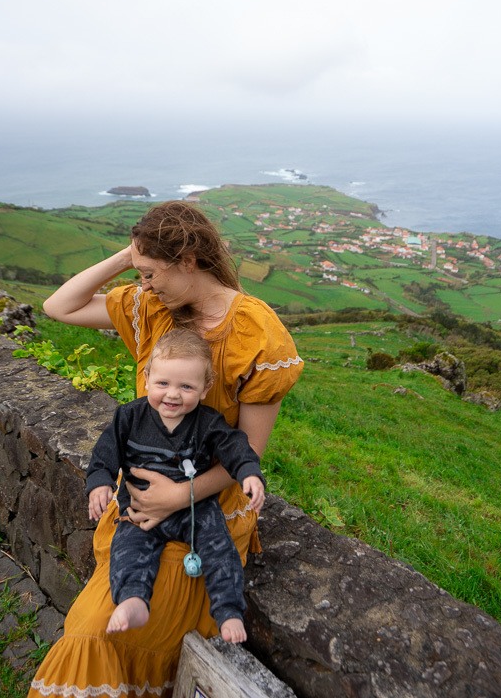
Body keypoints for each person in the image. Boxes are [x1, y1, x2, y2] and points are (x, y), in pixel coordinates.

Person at [29, 200, 303, 698]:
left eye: (152, 272)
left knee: (147, 641)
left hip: (206, 518)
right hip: (137, 513)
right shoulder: (150, 308)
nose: (145, 283)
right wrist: (129, 256)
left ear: (190, 259)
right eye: (141, 272)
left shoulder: (257, 336)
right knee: (91, 631)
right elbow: (59, 307)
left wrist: (176, 499)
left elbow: (247, 454)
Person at [87, 328, 266, 643]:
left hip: (191, 507)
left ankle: (228, 610)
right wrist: (100, 484)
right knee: (127, 547)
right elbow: (105, 454)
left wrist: (249, 472)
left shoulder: (207, 423)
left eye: (186, 386)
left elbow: (236, 447)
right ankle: (133, 600)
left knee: (218, 545)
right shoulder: (129, 416)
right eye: (163, 383)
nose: (172, 394)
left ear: (205, 387)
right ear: (146, 377)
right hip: (140, 507)